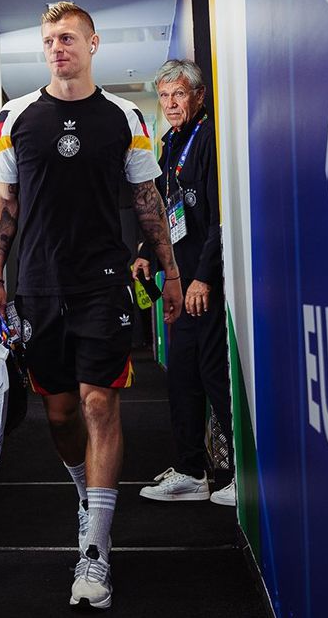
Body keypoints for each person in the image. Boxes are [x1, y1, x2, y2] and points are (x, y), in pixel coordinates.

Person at [0, 2, 183, 610]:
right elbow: (5, 205)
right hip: (37, 285)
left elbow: (149, 202)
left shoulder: (127, 116)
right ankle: (86, 493)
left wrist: (170, 273)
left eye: (67, 38)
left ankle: (94, 547)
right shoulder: (14, 116)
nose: (57, 48)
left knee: (99, 403)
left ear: (93, 43)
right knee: (62, 414)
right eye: (49, 41)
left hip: (103, 284)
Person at [134, 59, 236, 506]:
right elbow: (161, 208)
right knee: (182, 378)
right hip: (181, 281)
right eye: (164, 96)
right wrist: (144, 254)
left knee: (215, 376)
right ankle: (193, 471)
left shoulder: (210, 137)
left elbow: (218, 219)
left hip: (205, 283)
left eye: (179, 95)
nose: (171, 104)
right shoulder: (171, 143)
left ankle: (237, 476)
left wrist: (203, 279)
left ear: (198, 96)